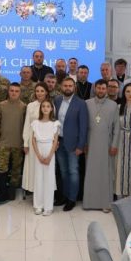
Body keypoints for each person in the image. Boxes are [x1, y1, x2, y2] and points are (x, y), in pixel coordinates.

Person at [83, 79, 119, 212]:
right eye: (98, 88)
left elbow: (117, 127)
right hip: (91, 142)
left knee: (105, 174)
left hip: (106, 143)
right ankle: (89, 202)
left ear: (107, 90)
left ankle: (106, 203)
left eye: (103, 88)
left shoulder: (113, 105)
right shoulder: (87, 103)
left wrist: (114, 145)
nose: (101, 90)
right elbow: (83, 126)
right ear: (95, 89)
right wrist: (84, 143)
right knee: (90, 173)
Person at [54, 77, 89, 211]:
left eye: (70, 86)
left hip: (74, 144)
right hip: (59, 142)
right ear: (61, 87)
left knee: (73, 171)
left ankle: (72, 199)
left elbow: (83, 126)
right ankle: (64, 196)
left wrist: (81, 146)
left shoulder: (81, 103)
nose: (67, 88)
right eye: (65, 85)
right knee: (63, 171)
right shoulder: (57, 100)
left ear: (74, 87)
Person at [0, 83, 26, 204]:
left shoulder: (24, 107)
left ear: (20, 93)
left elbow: (26, 126)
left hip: (18, 143)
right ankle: (2, 192)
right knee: (2, 168)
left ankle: (12, 191)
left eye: (16, 91)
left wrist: (25, 142)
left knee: (16, 169)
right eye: (12, 90)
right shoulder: (1, 105)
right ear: (8, 91)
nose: (14, 93)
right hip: (3, 143)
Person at [31, 100, 60, 216]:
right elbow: (33, 140)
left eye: (48, 106)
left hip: (49, 150)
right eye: (43, 106)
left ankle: (48, 207)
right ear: (41, 109)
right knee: (38, 178)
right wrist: (38, 155)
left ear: (51, 109)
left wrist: (49, 156)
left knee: (49, 178)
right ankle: (38, 205)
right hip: (38, 149)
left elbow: (55, 141)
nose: (45, 108)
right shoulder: (35, 123)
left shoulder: (55, 123)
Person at [22, 82, 49, 193]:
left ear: (46, 92)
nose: (39, 93)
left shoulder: (51, 106)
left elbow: (53, 125)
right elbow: (27, 125)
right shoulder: (30, 106)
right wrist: (25, 143)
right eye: (37, 91)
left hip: (46, 142)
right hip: (32, 142)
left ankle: (44, 192)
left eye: (42, 91)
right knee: (33, 167)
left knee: (44, 167)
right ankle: (34, 192)